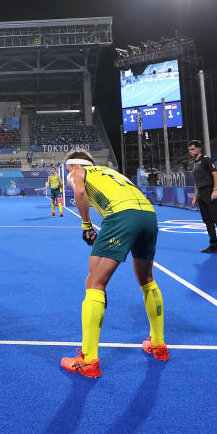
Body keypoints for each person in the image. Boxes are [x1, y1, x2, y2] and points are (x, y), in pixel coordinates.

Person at [59, 149, 168, 379]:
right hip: (148, 215)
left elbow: (79, 192)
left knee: (94, 283)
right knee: (147, 280)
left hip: (121, 217)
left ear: (72, 165)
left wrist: (86, 226)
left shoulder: (76, 172)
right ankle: (158, 344)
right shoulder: (109, 171)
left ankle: (88, 359)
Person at [187, 140, 217, 257]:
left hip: (210, 192)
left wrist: (215, 189)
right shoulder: (194, 163)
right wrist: (195, 197)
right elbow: (197, 182)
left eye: (193, 149)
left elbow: (215, 174)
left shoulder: (206, 160)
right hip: (201, 195)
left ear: (199, 149)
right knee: (207, 221)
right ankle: (214, 246)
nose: (191, 151)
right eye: (189, 150)